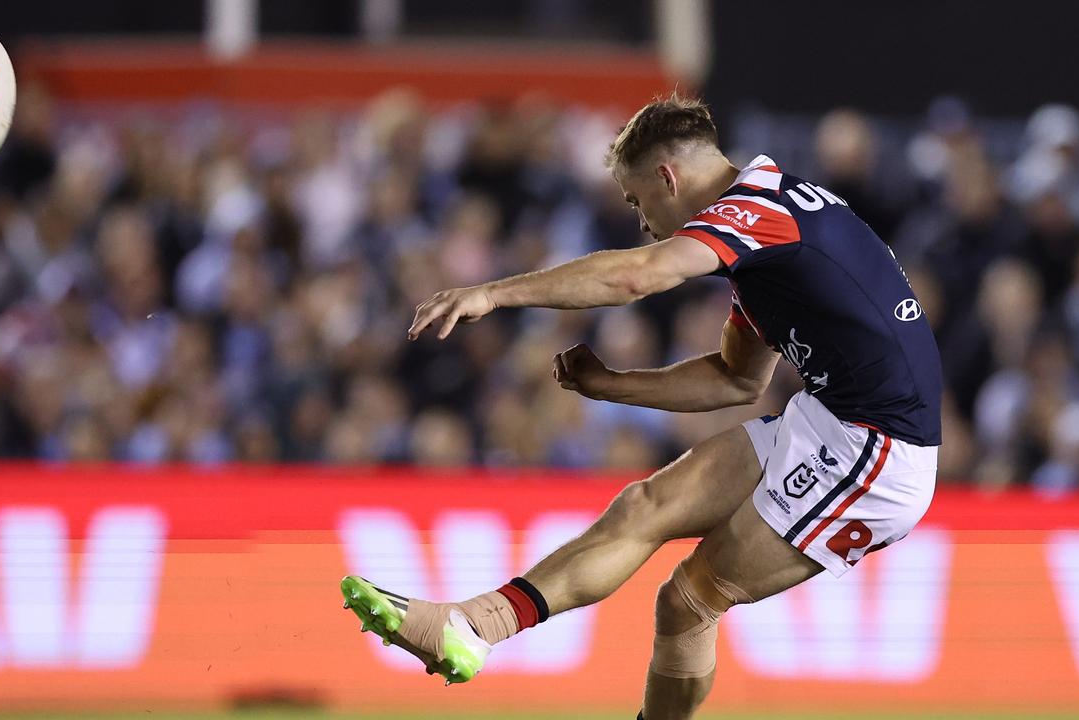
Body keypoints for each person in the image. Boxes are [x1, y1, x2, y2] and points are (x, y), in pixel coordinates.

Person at [340, 94, 942, 720]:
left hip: (876, 452)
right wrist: (612, 385)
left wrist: (494, 293)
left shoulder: (759, 212)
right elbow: (736, 380)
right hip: (830, 423)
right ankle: (476, 623)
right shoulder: (768, 233)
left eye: (636, 201)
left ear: (668, 178)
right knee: (644, 505)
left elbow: (639, 275)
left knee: (689, 599)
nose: (644, 220)